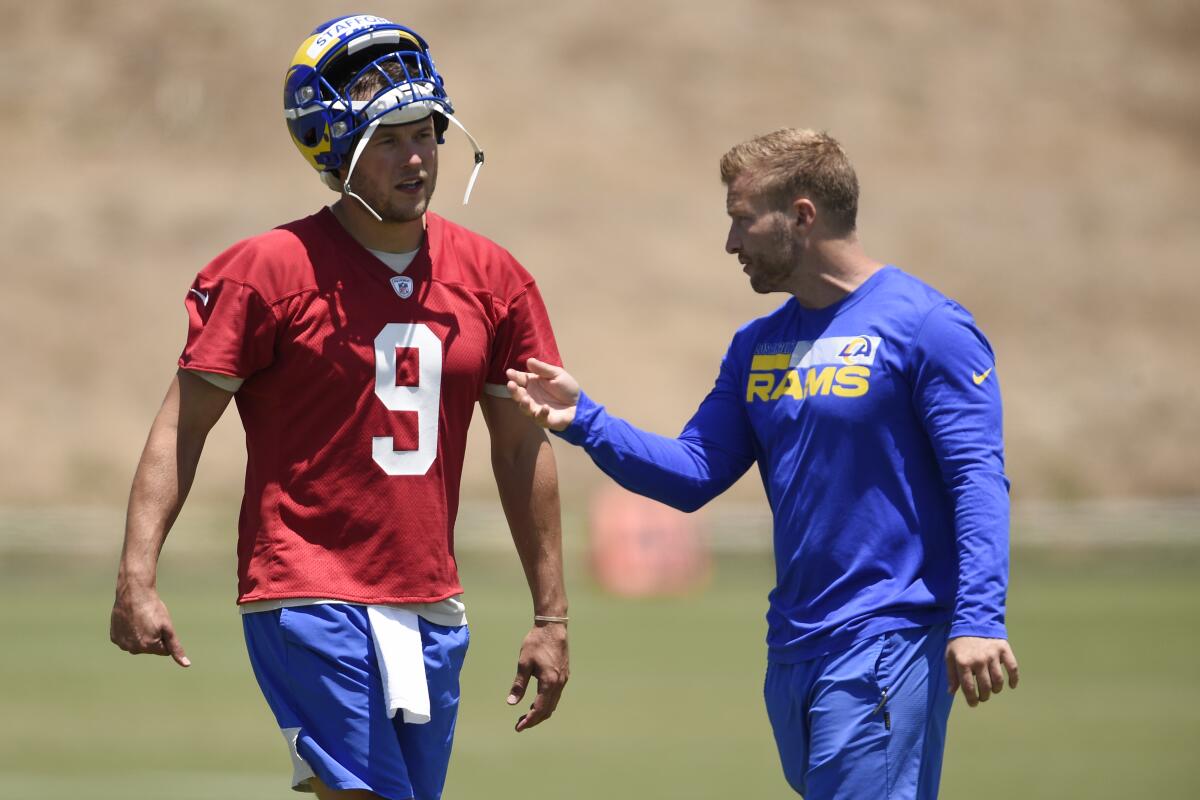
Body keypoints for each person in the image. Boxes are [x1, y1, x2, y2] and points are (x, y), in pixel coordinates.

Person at [109, 14, 569, 800]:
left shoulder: (497, 278)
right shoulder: (267, 271)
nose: (416, 156)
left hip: (430, 597)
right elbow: (182, 428)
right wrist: (137, 572)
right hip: (307, 589)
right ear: (334, 149)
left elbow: (523, 448)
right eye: (388, 137)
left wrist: (552, 616)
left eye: (425, 130)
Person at [507, 128, 1018, 799]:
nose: (730, 244)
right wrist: (586, 422)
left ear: (801, 216)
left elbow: (977, 479)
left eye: (742, 220)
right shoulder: (758, 345)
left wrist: (979, 617)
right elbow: (693, 473)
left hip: (888, 639)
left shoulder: (929, 327)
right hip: (794, 649)